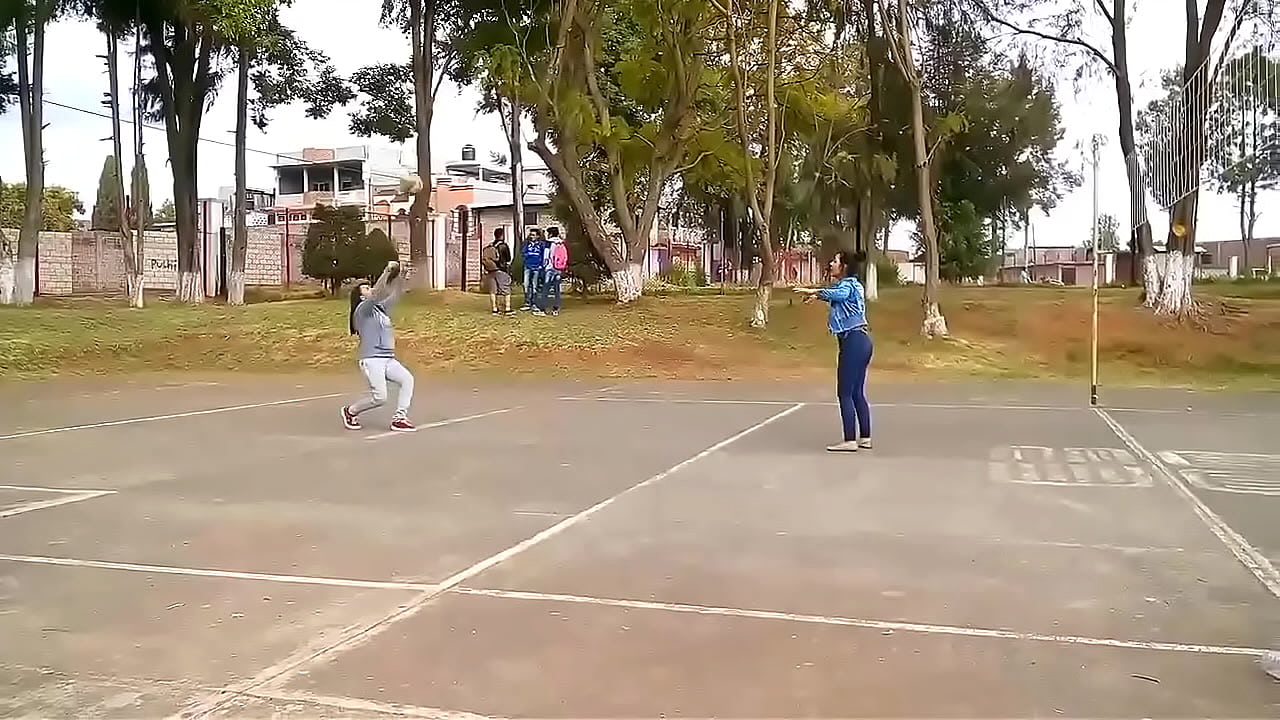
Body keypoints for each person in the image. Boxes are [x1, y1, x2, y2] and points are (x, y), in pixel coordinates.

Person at [794, 250, 872, 452]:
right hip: (861, 341)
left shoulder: (848, 285)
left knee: (844, 392)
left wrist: (815, 292)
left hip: (853, 341)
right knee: (856, 392)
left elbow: (840, 293)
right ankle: (865, 437)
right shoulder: (853, 284)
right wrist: (817, 296)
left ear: (844, 266)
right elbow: (837, 295)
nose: (831, 263)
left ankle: (850, 440)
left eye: (835, 261)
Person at [342, 260, 415, 432]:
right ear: (361, 296)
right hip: (372, 359)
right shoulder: (362, 310)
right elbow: (377, 293)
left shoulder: (380, 309)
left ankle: (399, 418)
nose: (370, 289)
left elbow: (395, 295)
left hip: (388, 359)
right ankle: (350, 411)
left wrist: (402, 275)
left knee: (407, 379)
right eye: (366, 288)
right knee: (380, 398)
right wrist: (387, 271)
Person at [535, 227, 568, 317]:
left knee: (546, 288)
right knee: (557, 289)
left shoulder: (548, 243)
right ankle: (556, 309)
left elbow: (546, 257)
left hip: (549, 268)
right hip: (559, 268)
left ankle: (543, 309)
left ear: (550, 234)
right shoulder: (561, 243)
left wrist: (543, 266)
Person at [481, 229, 513, 316]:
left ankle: (494, 308)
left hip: (490, 270)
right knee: (506, 289)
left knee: (493, 290)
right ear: (502, 235)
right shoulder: (503, 246)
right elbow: (508, 258)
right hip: (501, 270)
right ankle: (507, 308)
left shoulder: (490, 246)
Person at [521, 228, 547, 310]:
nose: (531, 236)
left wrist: (541, 265)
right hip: (527, 266)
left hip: (537, 267)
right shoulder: (527, 244)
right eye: (531, 235)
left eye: (533, 235)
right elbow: (523, 253)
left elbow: (544, 255)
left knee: (534, 285)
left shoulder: (541, 245)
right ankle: (527, 302)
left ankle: (534, 303)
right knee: (526, 284)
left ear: (538, 236)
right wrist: (525, 259)